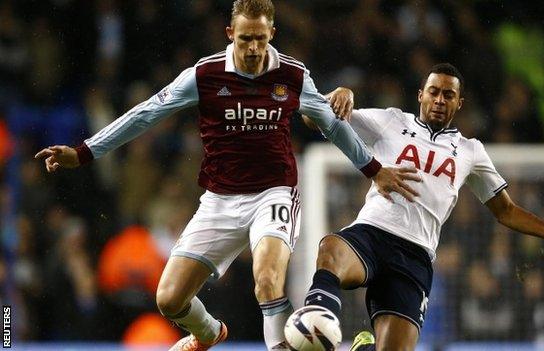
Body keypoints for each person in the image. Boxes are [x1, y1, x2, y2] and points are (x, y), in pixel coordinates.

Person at [34, 1, 420, 350]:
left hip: (275, 193)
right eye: (245, 38)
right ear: (230, 34)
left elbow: (333, 126)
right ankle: (208, 333)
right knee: (169, 299)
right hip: (219, 199)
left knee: (267, 279)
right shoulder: (204, 75)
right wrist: (84, 152)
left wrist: (373, 169)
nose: (253, 48)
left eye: (260, 38)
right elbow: (146, 113)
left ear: (272, 33)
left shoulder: (293, 75)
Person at [300, 63, 544, 351]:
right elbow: (315, 119)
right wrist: (339, 95)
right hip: (373, 232)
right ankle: (316, 319)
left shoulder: (471, 151)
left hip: (415, 256)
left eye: (448, 95)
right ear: (421, 95)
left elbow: (505, 210)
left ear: (459, 103)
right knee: (331, 249)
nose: (439, 100)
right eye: (434, 92)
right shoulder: (391, 122)